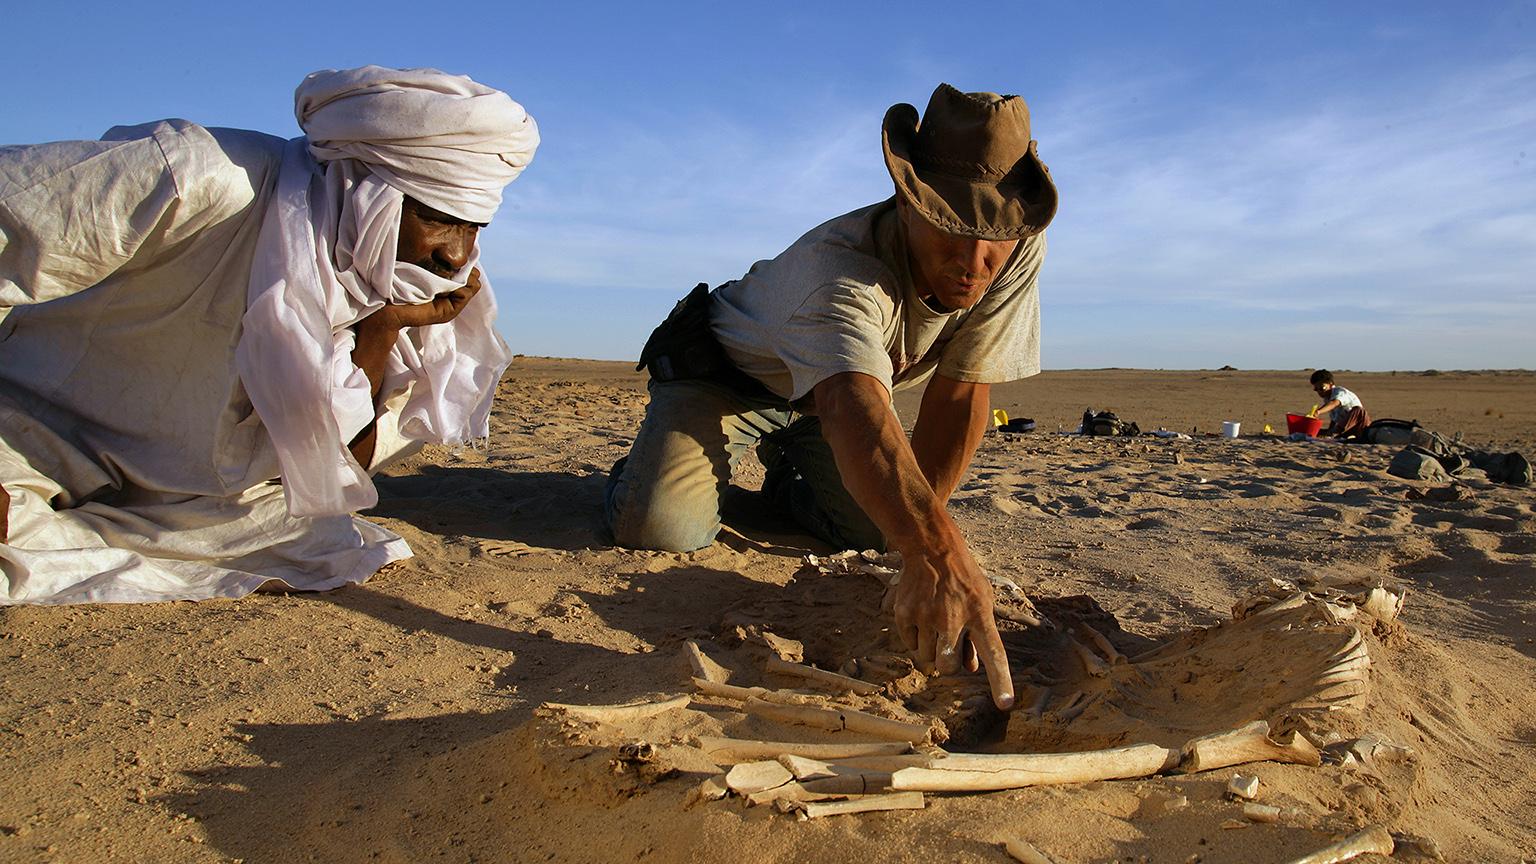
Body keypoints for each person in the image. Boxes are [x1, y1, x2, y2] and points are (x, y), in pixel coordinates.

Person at [0, 66, 538, 605]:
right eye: (436, 218)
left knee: (328, 544)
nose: (457, 255)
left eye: (473, 228)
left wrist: (382, 327)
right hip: (32, 435)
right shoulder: (199, 176)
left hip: (194, 494)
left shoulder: (398, 281)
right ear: (363, 187)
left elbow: (341, 472)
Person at [605, 84, 1058, 710]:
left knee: (883, 531)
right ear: (909, 204)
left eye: (992, 239)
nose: (973, 262)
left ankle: (792, 476)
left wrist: (920, 549)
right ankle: (644, 469)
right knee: (662, 527)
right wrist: (939, 550)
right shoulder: (841, 270)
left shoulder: (1017, 247)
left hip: (834, 403)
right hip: (732, 381)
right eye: (951, 230)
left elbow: (960, 393)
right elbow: (852, 404)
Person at [1309, 369, 1371, 439]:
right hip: (1342, 425)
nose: (1320, 391)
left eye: (1322, 388)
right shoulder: (1327, 399)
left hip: (1358, 424)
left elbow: (1334, 403)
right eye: (1316, 389)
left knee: (1358, 410)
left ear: (1330, 384)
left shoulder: (1339, 392)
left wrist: (1319, 411)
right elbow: (1334, 419)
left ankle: (1343, 434)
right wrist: (1330, 430)